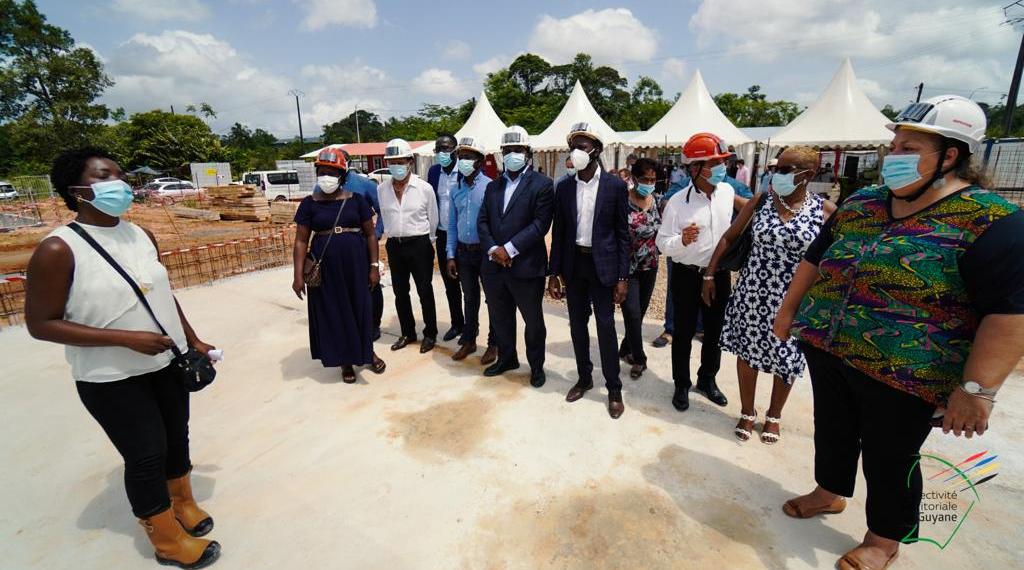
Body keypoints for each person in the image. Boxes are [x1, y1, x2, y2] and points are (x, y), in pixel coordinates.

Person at [775, 96, 1024, 570]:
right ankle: (829, 492)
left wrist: (977, 390)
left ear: (949, 155)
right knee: (833, 431)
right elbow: (815, 258)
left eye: (907, 146)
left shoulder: (993, 222)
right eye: (894, 144)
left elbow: (1010, 314)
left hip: (907, 371)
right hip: (829, 346)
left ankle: (883, 539)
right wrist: (789, 311)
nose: (892, 155)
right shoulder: (863, 202)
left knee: (890, 456)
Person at [24, 148, 221, 568]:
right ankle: (166, 537)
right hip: (110, 376)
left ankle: (181, 503)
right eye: (104, 176)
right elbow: (41, 323)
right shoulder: (58, 249)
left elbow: (160, 296)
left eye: (120, 173)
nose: (120, 183)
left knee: (176, 438)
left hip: (164, 363)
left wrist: (191, 339)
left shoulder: (139, 235)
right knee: (145, 453)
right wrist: (124, 338)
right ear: (77, 191)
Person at [706, 146, 834, 443]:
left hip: (795, 299)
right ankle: (748, 412)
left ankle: (774, 415)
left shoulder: (824, 211)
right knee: (748, 354)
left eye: (786, 170)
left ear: (808, 175)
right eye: (775, 169)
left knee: (787, 359)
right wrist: (710, 273)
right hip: (754, 293)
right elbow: (730, 236)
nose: (777, 175)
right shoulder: (761, 201)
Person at [548, 122, 630, 419]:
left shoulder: (615, 186)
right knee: (576, 325)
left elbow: (623, 234)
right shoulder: (565, 187)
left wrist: (622, 277)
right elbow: (560, 232)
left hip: (603, 267)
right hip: (574, 265)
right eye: (573, 147)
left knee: (605, 328)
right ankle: (584, 378)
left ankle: (614, 388)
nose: (575, 152)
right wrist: (554, 272)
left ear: (596, 150)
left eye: (581, 147)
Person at [655, 132, 736, 412]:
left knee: (714, 331)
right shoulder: (678, 202)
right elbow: (662, 242)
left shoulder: (727, 192)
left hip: (719, 274)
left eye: (721, 162)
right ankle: (681, 383)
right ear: (695, 168)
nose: (721, 168)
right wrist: (682, 241)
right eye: (714, 163)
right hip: (687, 275)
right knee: (684, 330)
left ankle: (707, 379)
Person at [292, 149, 385, 383]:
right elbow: (301, 240)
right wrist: (297, 275)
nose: (326, 176)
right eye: (322, 172)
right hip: (326, 270)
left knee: (360, 309)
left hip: (356, 266)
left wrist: (373, 266)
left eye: (332, 172)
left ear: (342, 175)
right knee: (335, 312)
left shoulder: (357, 200)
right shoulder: (308, 204)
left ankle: (367, 353)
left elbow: (371, 235)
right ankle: (345, 361)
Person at [479, 126, 553, 386]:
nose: (512, 155)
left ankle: (536, 367)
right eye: (507, 150)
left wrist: (508, 249)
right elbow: (483, 221)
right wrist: (493, 250)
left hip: (526, 266)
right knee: (500, 318)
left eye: (517, 150)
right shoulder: (493, 187)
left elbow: (540, 224)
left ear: (528, 153)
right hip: (494, 267)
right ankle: (507, 358)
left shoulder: (543, 185)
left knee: (533, 322)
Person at [377, 138, 439, 353]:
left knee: (424, 290)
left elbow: (433, 219)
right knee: (400, 292)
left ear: (410, 162)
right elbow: (384, 217)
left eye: (400, 161)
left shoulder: (424, 188)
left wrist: (428, 241)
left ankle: (430, 333)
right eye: (392, 161)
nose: (396, 166)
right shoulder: (382, 189)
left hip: (419, 244)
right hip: (395, 245)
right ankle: (408, 332)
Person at [444, 136, 496, 362]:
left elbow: (495, 224)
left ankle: (494, 343)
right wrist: (450, 254)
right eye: (460, 157)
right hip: (464, 253)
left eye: (468, 157)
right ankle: (469, 340)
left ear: (480, 161)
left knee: (493, 299)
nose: (463, 161)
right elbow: (452, 226)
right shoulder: (456, 190)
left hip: (485, 253)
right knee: (470, 297)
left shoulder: (491, 188)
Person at [617, 158, 662, 379]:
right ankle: (639, 358)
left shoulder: (656, 201)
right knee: (632, 313)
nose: (650, 183)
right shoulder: (622, 202)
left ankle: (626, 347)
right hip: (628, 269)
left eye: (653, 179)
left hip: (651, 266)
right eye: (645, 179)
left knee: (639, 313)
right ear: (634, 178)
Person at [337, 149, 385, 341]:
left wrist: (377, 233)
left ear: (347, 163)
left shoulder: (364, 185)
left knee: (371, 283)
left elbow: (383, 210)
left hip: (362, 243)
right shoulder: (321, 188)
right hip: (336, 246)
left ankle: (374, 325)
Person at [426, 134, 465, 343]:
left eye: (446, 148)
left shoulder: (466, 170)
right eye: (438, 149)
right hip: (442, 235)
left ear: (456, 150)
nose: (442, 153)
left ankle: (470, 327)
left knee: (467, 284)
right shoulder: (433, 172)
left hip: (464, 237)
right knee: (450, 284)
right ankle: (457, 323)